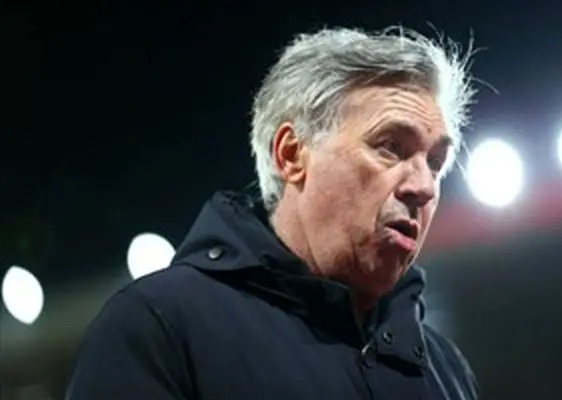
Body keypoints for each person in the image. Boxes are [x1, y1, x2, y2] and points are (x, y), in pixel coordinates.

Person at [67, 26, 479, 399]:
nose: (424, 187)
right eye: (390, 147)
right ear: (292, 154)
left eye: (435, 163)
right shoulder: (158, 327)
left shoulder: (447, 370)